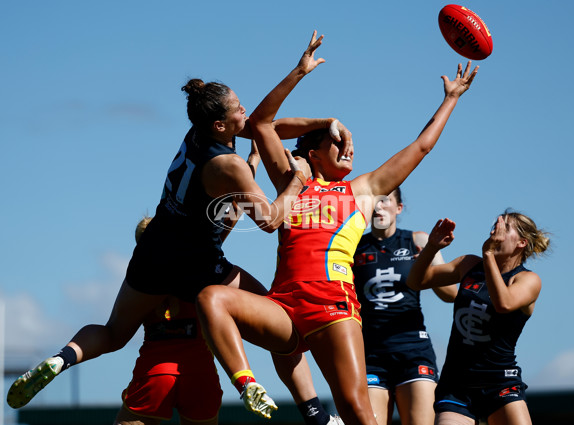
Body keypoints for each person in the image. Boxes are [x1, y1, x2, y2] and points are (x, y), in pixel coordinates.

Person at [7, 38, 352, 424]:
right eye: (238, 108)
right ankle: (310, 412)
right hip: (197, 263)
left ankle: (60, 358)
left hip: (153, 252)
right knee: (278, 315)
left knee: (113, 333)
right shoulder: (230, 165)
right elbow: (270, 220)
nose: (245, 110)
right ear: (221, 123)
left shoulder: (198, 136)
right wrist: (295, 183)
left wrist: (315, 109)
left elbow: (262, 128)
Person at [196, 30, 478, 425]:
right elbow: (261, 122)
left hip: (333, 305)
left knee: (356, 411)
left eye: (350, 144)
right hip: (286, 307)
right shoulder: (291, 183)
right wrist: (301, 76)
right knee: (211, 297)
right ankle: (247, 385)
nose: (348, 148)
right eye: (338, 142)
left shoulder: (362, 190)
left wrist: (450, 99)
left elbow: (420, 147)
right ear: (313, 152)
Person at [406, 211, 550, 425]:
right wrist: (432, 247)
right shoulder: (469, 265)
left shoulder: (528, 280)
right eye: (495, 225)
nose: (494, 231)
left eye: (504, 227)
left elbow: (504, 303)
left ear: (522, 242)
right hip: (457, 386)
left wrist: (489, 254)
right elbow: (416, 281)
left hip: (500, 383)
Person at [352, 187, 457, 425]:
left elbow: (449, 295)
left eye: (385, 201)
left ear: (399, 208)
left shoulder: (418, 240)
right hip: (371, 354)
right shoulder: (353, 246)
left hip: (413, 350)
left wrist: (430, 255)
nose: (379, 207)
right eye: (374, 203)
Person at [115, 217, 222, 425]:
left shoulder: (139, 281)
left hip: (154, 372)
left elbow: (118, 330)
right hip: (200, 372)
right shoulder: (202, 268)